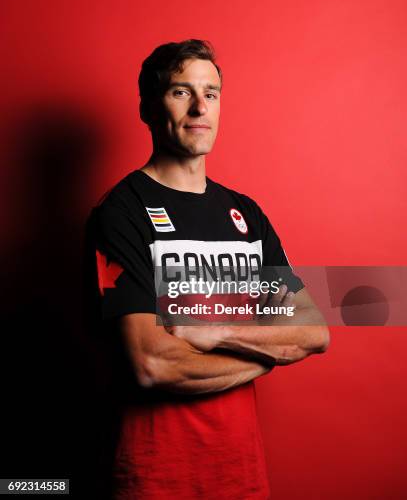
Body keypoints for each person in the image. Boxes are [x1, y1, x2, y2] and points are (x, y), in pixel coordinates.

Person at [89, 39, 330, 500]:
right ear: (147, 107)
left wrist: (213, 332)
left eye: (212, 93)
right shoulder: (122, 213)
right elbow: (152, 363)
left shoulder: (246, 214)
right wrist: (273, 352)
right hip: (157, 478)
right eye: (181, 92)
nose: (201, 106)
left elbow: (313, 331)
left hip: (242, 475)